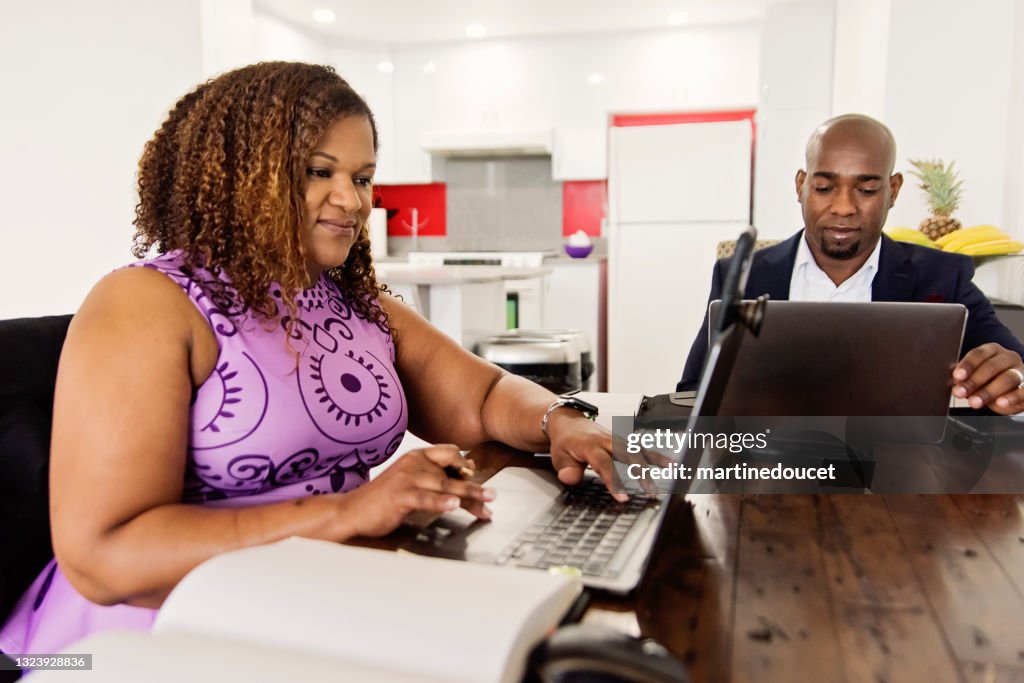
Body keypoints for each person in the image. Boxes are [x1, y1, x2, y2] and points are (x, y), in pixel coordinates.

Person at [0, 62, 623, 657]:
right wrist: (349, 511)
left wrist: (559, 419)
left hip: (306, 595)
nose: (351, 201)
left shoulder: (349, 302)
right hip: (144, 637)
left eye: (361, 176)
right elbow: (105, 558)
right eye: (318, 172)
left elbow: (482, 398)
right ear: (238, 173)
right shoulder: (146, 303)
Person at [678, 114, 1024, 413]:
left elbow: (1014, 365)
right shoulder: (742, 275)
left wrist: (1011, 377)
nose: (843, 207)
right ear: (801, 186)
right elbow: (690, 392)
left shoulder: (941, 277)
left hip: (896, 474)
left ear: (893, 190)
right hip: (766, 467)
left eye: (867, 190)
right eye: (825, 187)